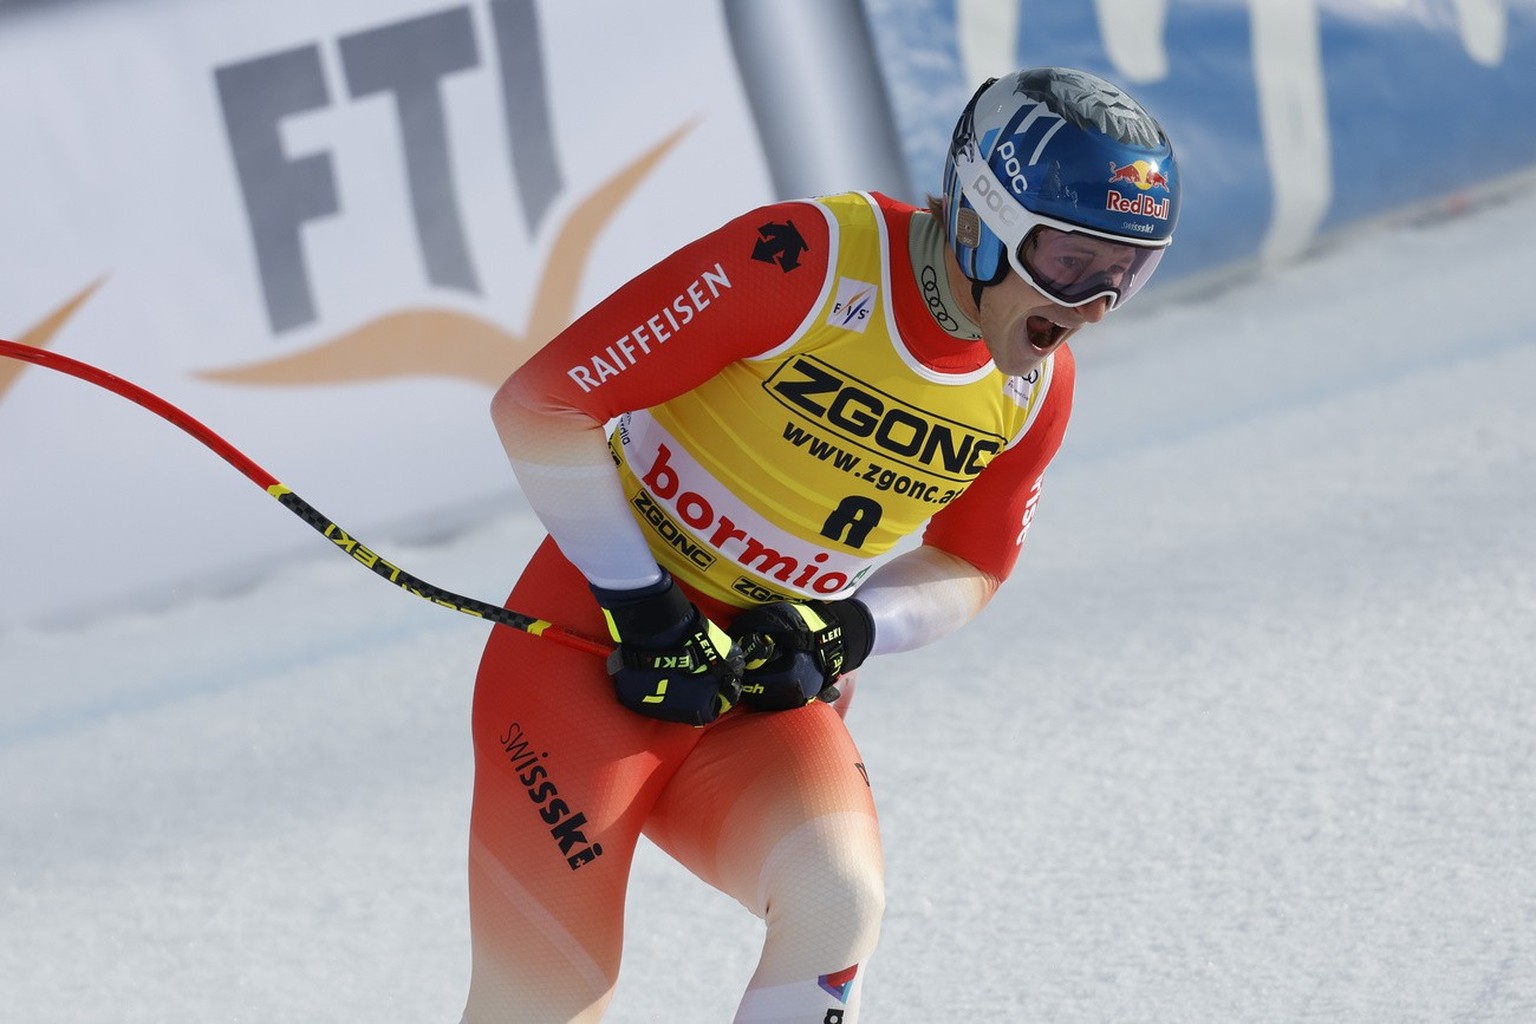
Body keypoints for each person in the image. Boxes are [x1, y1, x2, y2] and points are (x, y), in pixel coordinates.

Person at [462, 66, 1180, 1023]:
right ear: (981, 214)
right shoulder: (804, 262)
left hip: (756, 681)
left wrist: (843, 630)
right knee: (547, 996)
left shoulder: (1034, 393)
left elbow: (974, 564)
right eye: (1072, 262)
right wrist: (644, 603)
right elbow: (542, 406)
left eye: (1129, 271)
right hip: (585, 654)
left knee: (837, 902)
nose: (1095, 302)